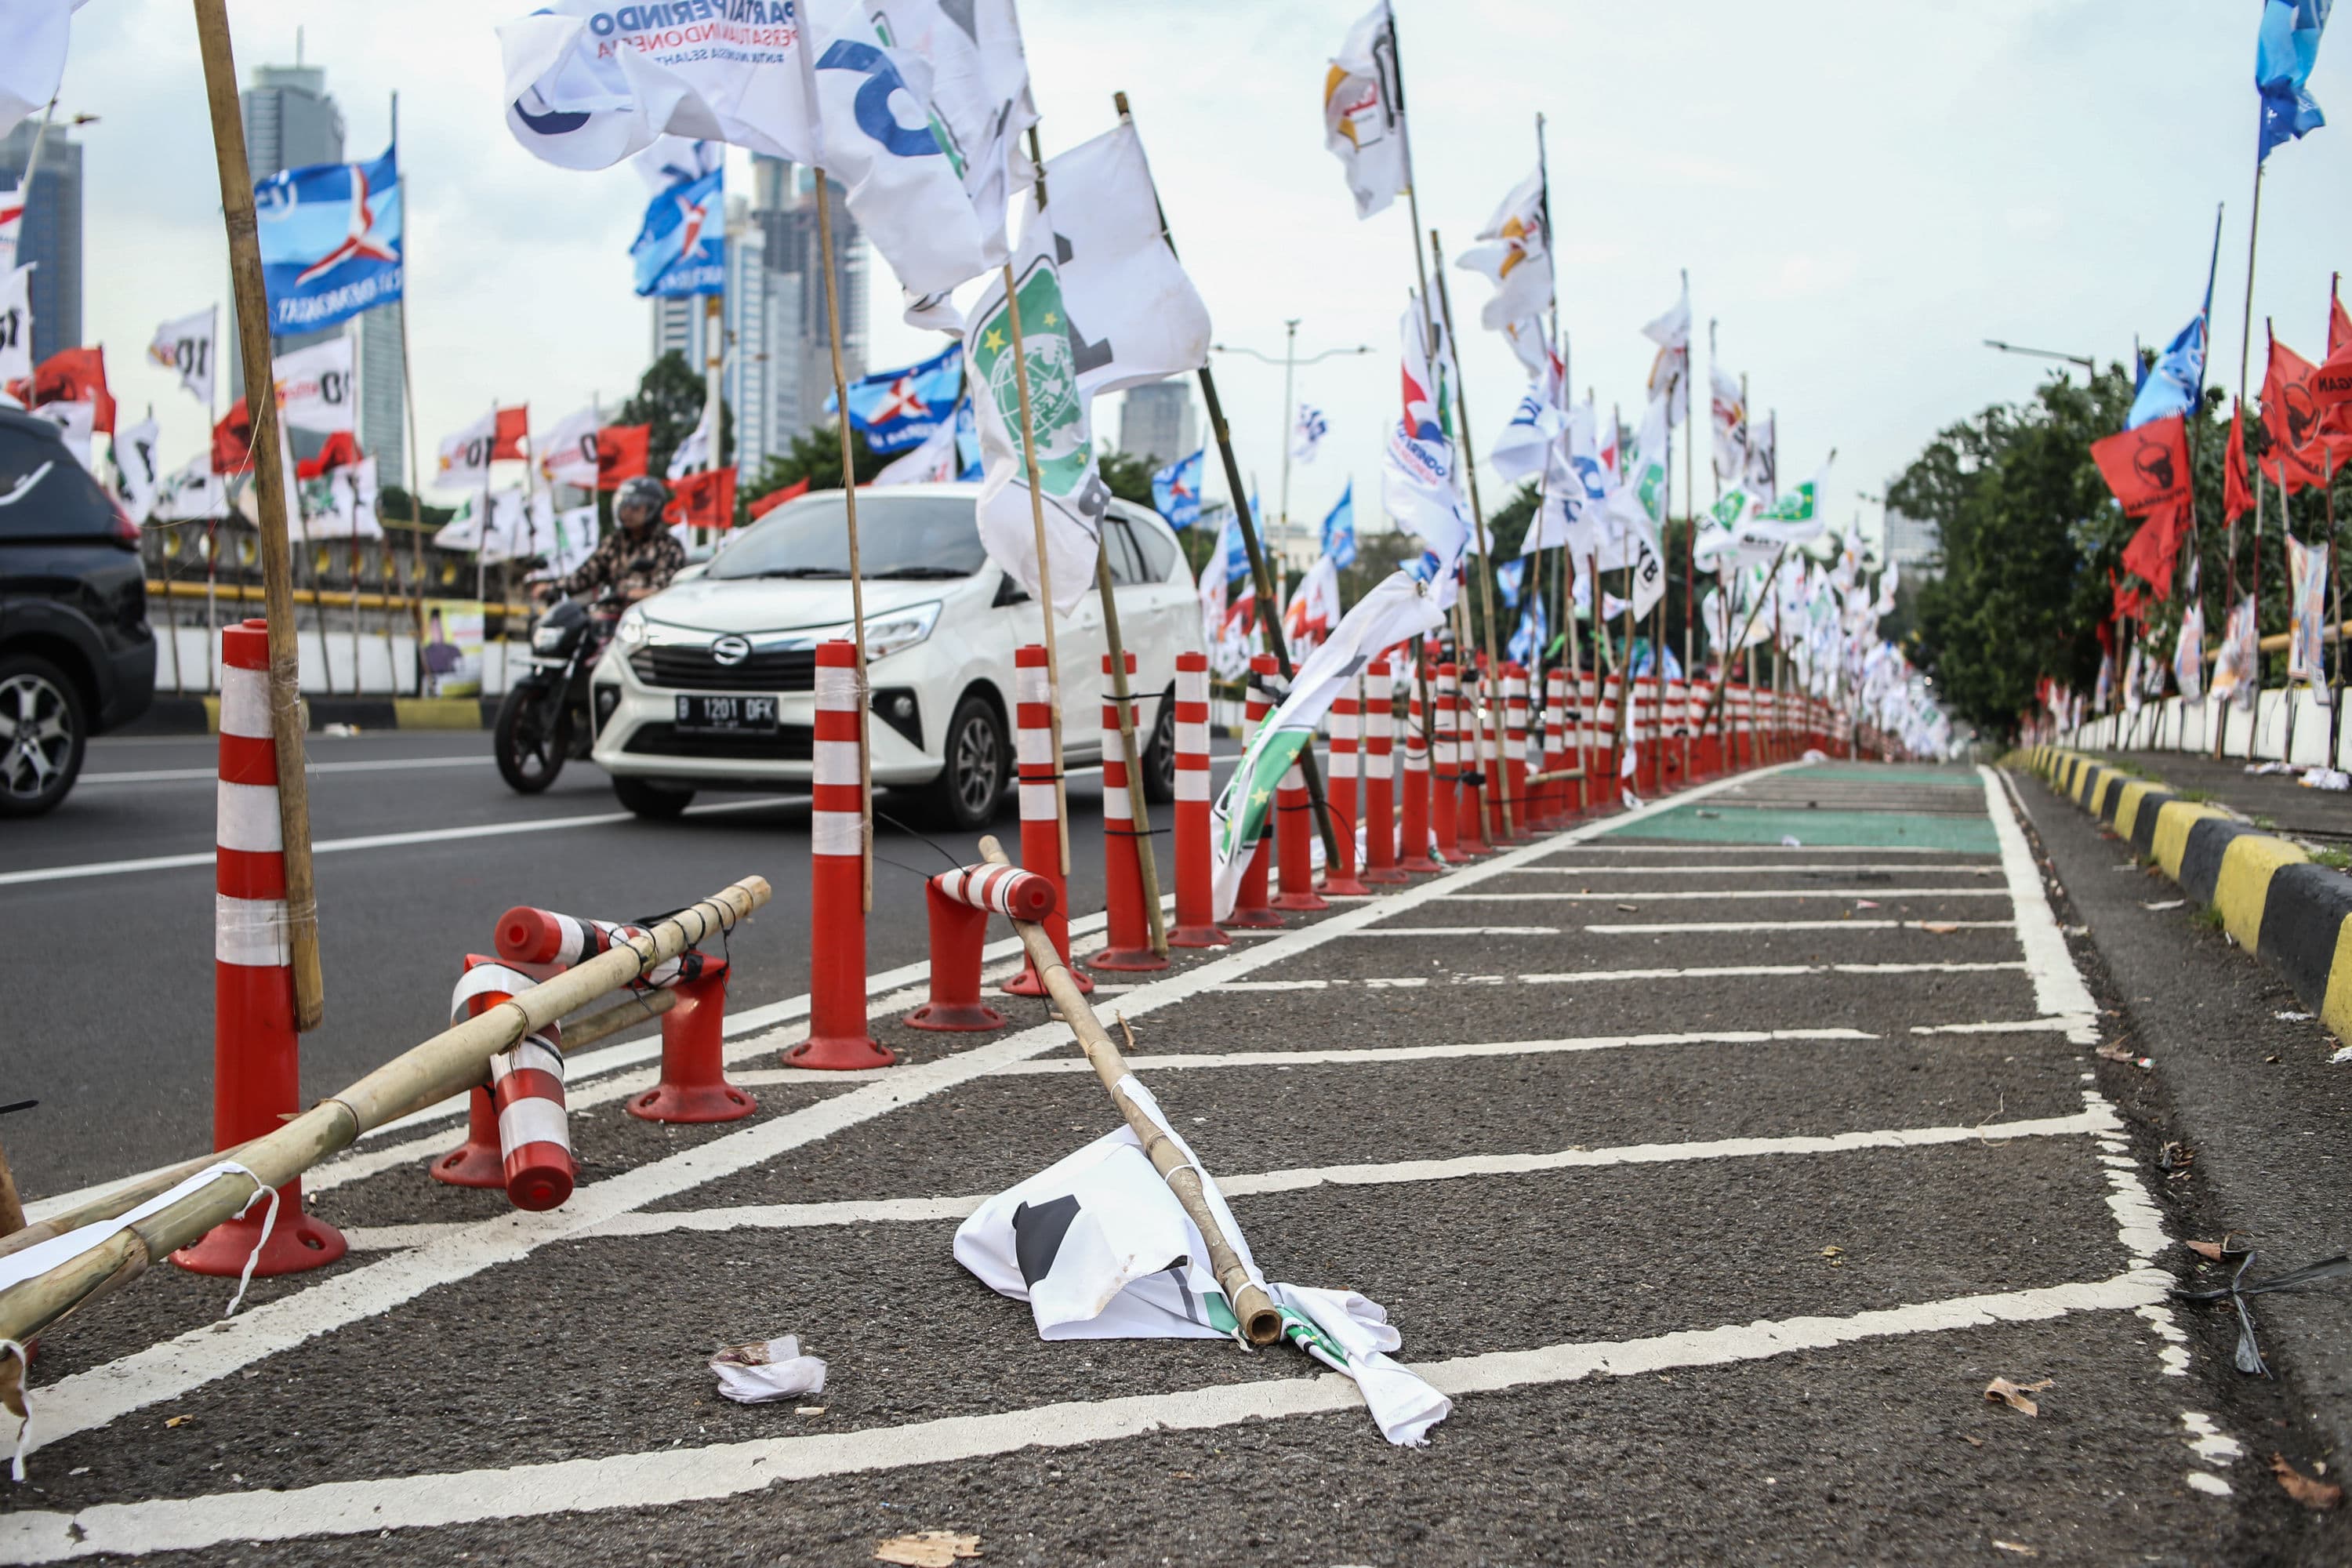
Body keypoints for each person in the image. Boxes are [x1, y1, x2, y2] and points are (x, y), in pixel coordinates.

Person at [533, 475, 684, 605]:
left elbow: (667, 588)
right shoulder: (614, 542)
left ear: (653, 508)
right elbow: (588, 572)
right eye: (625, 506)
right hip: (605, 615)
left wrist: (635, 594)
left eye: (636, 507)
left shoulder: (668, 546)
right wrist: (555, 587)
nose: (628, 512)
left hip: (642, 623)